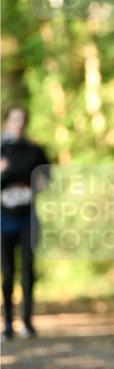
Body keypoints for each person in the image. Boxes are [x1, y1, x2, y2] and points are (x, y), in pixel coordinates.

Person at [1, 105, 49, 339]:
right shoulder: (1, 149)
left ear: (26, 122)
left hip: (28, 216)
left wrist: (39, 183)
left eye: (22, 119)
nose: (18, 123)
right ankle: (8, 324)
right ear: (8, 122)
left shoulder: (35, 150)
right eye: (14, 119)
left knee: (28, 269)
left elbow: (46, 176)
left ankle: (27, 323)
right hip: (3, 216)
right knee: (7, 272)